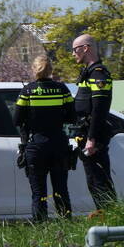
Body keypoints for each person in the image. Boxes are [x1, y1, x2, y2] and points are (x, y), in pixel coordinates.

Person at [14, 55, 76, 221]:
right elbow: (72, 117)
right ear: (50, 70)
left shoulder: (27, 91)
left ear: (34, 69)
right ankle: (66, 225)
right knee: (61, 190)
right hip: (58, 144)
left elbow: (17, 120)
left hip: (36, 146)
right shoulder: (62, 89)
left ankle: (41, 228)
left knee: (39, 193)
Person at [71, 33, 116, 211]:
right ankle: (105, 216)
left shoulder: (98, 74)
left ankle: (112, 217)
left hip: (94, 138)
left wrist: (92, 138)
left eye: (75, 50)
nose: (73, 54)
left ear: (85, 48)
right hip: (85, 134)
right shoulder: (88, 73)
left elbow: (99, 109)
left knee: (100, 182)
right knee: (93, 181)